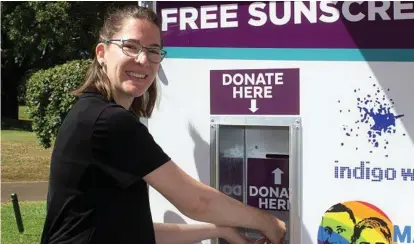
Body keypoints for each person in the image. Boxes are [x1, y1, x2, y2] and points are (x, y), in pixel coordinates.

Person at [40, 5, 286, 244]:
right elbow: (196, 202)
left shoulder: (93, 113)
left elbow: (132, 230)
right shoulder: (109, 122)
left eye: (153, 50)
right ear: (102, 53)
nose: (143, 59)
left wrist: (220, 229)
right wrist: (267, 222)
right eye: (131, 47)